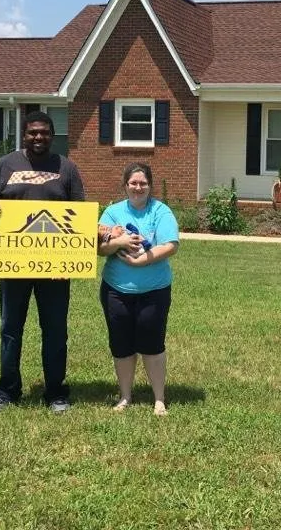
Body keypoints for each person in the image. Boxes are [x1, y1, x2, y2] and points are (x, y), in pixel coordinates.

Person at [0, 110, 88, 414]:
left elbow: (78, 216)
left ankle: (56, 392)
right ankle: (7, 391)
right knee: (10, 328)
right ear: (24, 135)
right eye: (32, 133)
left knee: (55, 330)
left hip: (56, 268)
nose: (38, 137)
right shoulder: (6, 165)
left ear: (52, 135)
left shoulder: (66, 168)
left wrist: (67, 261)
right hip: (14, 263)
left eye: (44, 132)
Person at [98, 162, 179, 415]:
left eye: (143, 183)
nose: (138, 187)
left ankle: (159, 399)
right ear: (125, 186)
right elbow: (98, 248)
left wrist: (142, 260)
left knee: (153, 344)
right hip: (116, 290)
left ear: (150, 185)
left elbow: (171, 245)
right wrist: (119, 241)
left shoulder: (161, 211)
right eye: (133, 182)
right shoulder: (112, 212)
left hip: (154, 291)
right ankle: (125, 396)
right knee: (121, 345)